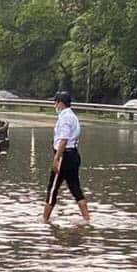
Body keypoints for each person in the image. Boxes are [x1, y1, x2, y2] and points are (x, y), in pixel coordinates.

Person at [43, 91, 91, 223]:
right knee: (75, 188)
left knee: (52, 188)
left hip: (64, 155)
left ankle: (44, 220)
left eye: (55, 102)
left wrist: (56, 158)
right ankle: (86, 219)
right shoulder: (73, 116)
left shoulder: (65, 118)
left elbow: (63, 140)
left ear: (60, 103)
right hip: (73, 154)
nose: (54, 105)